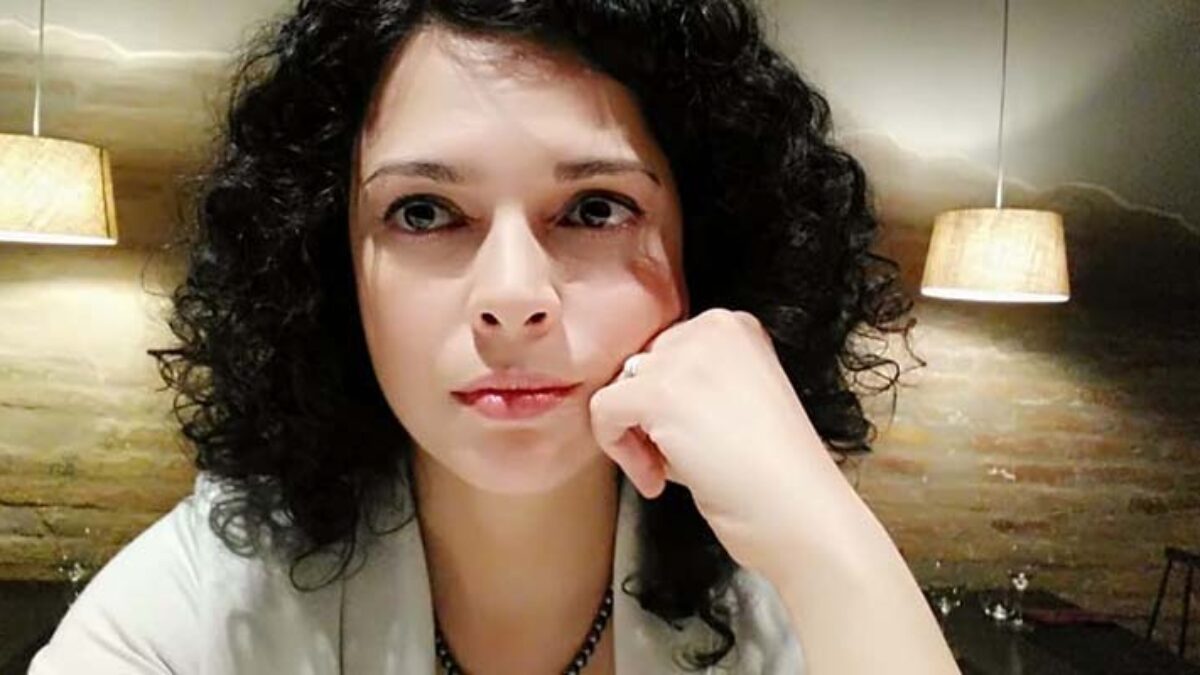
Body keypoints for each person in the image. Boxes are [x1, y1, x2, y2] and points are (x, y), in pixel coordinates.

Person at [29, 0, 961, 673]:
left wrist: (829, 545)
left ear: (706, 247)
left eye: (594, 208)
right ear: (329, 264)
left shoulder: (794, 593)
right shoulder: (202, 605)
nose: (512, 297)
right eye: (424, 212)